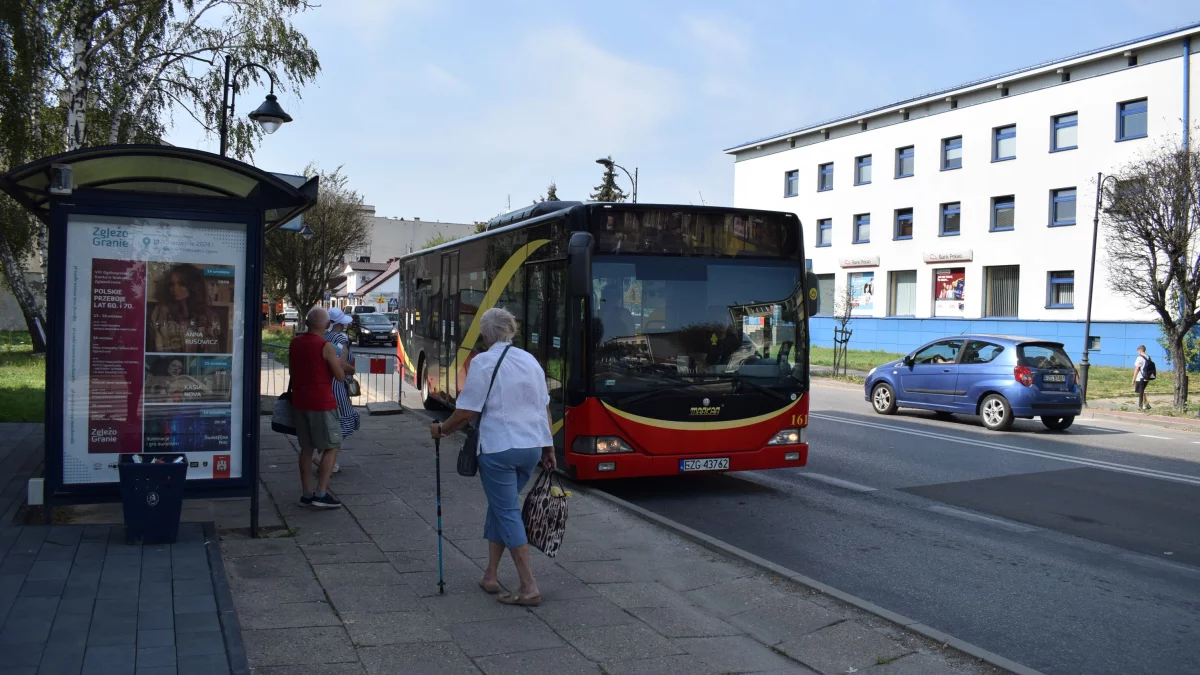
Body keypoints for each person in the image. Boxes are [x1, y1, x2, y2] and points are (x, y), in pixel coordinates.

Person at [430, 308, 555, 606]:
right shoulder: (530, 361)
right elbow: (544, 406)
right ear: (511, 330)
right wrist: (549, 447)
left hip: (499, 448)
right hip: (531, 448)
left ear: (485, 336)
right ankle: (490, 574)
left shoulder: (484, 362)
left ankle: (528, 587)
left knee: (507, 511)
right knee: (502, 506)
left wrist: (441, 430)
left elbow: (467, 411)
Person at [290, 307, 346, 508]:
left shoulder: (295, 342)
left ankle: (306, 493)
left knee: (306, 448)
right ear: (327, 325)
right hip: (321, 403)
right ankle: (321, 494)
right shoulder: (326, 346)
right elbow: (340, 376)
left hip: (299, 401)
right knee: (332, 445)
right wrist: (339, 363)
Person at [318, 307, 360, 474]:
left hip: (324, 385)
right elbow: (340, 364)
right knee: (344, 421)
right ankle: (325, 459)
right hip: (337, 386)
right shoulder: (340, 339)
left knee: (328, 424)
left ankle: (326, 458)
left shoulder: (322, 337)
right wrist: (351, 370)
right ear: (338, 324)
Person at [148, 263, 222, 353]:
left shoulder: (208, 315)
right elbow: (155, 347)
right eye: (172, 284)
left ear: (193, 286)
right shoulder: (160, 312)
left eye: (181, 284)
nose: (175, 289)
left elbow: (213, 351)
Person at [1132, 345, 1151, 411]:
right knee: (1141, 391)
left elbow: (1137, 368)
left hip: (1140, 377)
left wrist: (1133, 378)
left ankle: (1141, 406)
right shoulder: (1148, 357)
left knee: (1140, 392)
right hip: (1147, 377)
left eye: (1138, 351)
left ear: (1140, 350)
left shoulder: (1139, 358)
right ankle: (1146, 404)